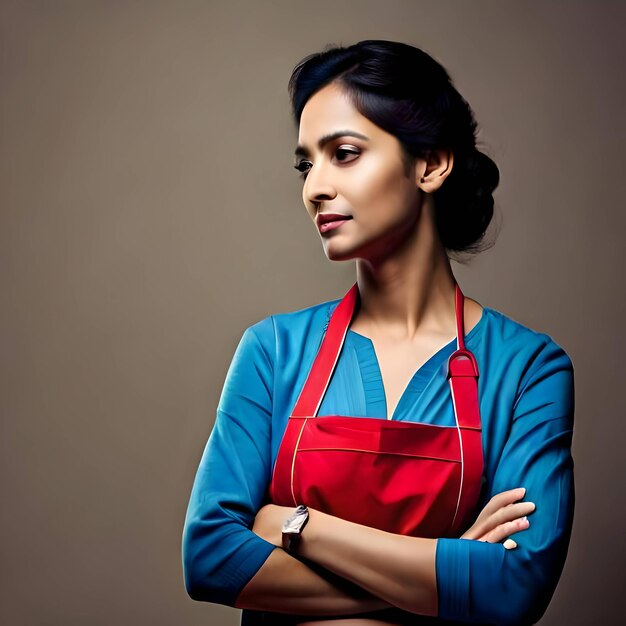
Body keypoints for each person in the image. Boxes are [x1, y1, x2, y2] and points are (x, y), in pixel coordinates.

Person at [182, 40, 575, 626]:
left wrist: (296, 525)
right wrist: (447, 580)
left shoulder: (528, 369)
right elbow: (210, 558)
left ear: (431, 164)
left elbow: (515, 587)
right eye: (306, 163)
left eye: (343, 153)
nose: (314, 187)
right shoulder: (272, 351)